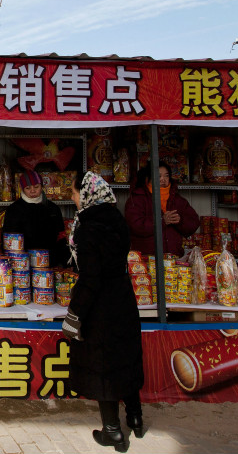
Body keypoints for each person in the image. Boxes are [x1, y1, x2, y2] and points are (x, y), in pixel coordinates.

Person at [63, 171, 144, 453]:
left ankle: (113, 431)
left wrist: (75, 314)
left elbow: (90, 278)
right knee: (126, 357)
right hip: (123, 297)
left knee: (104, 364)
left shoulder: (88, 227)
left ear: (86, 194)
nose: (72, 198)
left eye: (74, 193)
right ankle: (135, 418)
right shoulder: (117, 219)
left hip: (101, 306)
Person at [124, 163, 199, 256]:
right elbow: (135, 226)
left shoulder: (177, 199)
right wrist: (161, 221)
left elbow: (194, 223)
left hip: (173, 257)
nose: (163, 179)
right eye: (158, 176)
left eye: (166, 176)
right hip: (147, 258)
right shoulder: (137, 199)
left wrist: (180, 221)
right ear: (148, 178)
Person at [0, 170, 70, 265]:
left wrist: (65, 262)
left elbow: (61, 237)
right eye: (28, 188)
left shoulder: (53, 208)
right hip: (22, 264)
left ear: (42, 186)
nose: (32, 191)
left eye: (36, 187)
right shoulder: (14, 210)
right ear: (22, 189)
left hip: (50, 262)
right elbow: (9, 241)